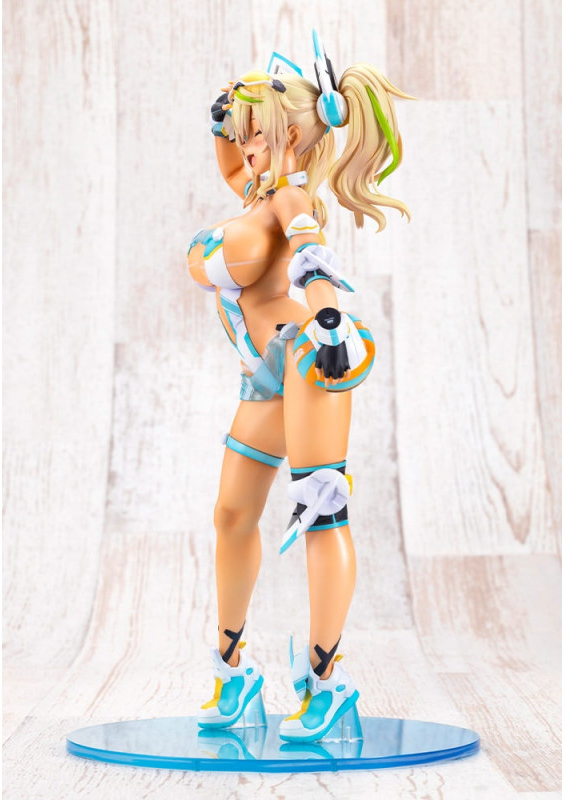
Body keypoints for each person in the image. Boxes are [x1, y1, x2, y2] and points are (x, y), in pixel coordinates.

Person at [187, 32, 411, 742]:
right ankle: (233, 674)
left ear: (290, 139)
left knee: (321, 509)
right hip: (262, 375)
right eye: (242, 132)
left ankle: (325, 685)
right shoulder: (254, 188)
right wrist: (222, 121)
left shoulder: (287, 198)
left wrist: (332, 322)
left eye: (256, 133)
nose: (243, 146)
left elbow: (313, 255)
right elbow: (230, 160)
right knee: (232, 514)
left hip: (309, 360)